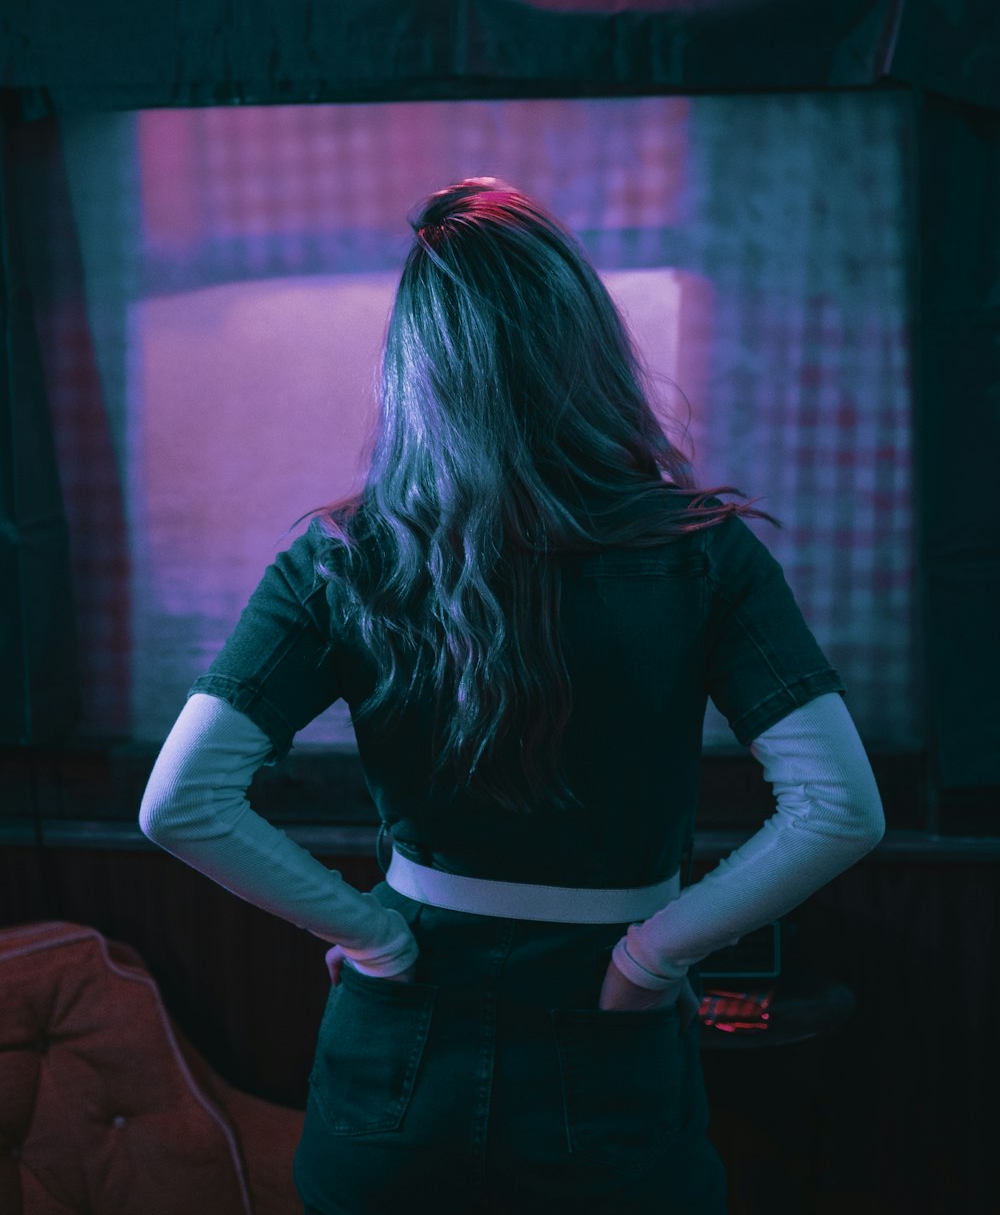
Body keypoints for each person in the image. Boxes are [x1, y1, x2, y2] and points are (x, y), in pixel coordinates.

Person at [138, 177, 886, 1214]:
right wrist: (651, 951)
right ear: (585, 342)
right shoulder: (702, 554)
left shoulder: (339, 557)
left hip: (395, 1055)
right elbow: (840, 805)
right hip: (610, 1051)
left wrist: (374, 935)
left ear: (417, 362)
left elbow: (182, 800)